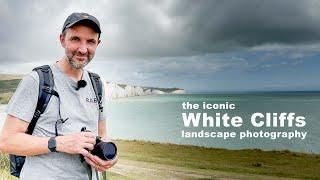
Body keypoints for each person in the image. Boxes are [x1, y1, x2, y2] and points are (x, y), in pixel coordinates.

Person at [0, 12, 117, 179]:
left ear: (98, 43)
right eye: (75, 39)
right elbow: (6, 142)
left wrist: (111, 157)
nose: (83, 49)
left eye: (90, 41)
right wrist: (58, 143)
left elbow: (103, 134)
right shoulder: (37, 80)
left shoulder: (97, 84)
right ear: (62, 39)